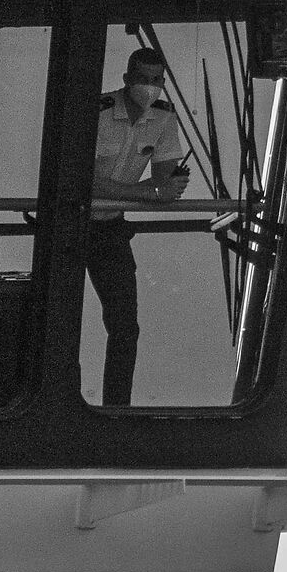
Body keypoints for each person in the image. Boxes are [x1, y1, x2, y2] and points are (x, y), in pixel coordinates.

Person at [87, 46, 192, 406]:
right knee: (59, 321)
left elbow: (163, 184)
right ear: (126, 79)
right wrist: (142, 192)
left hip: (109, 228)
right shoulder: (97, 111)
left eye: (156, 80)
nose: (150, 86)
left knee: (125, 327)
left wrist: (168, 187)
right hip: (70, 222)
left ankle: (116, 410)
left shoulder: (163, 117)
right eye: (143, 79)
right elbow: (79, 180)